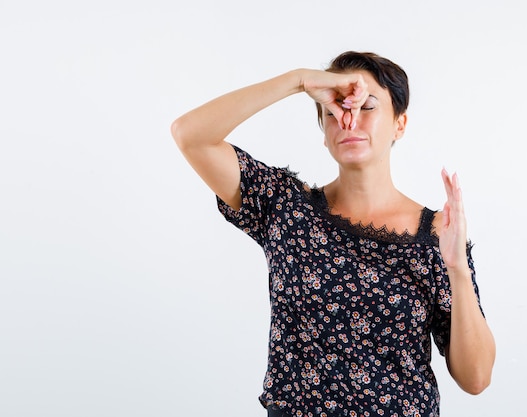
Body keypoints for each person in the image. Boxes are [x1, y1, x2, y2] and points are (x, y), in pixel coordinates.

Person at [171, 51, 495, 417]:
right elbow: (190, 135)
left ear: (400, 124)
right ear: (324, 132)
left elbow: (476, 378)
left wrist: (457, 269)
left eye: (367, 106)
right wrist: (298, 81)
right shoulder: (285, 208)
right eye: (334, 109)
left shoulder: (438, 234)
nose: (349, 119)